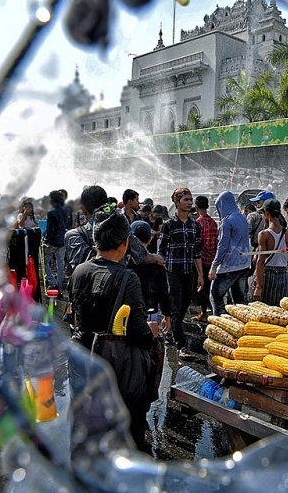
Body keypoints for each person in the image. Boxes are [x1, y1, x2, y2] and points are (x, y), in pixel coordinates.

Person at [69, 205, 157, 451]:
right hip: (117, 371)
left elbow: (76, 317)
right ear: (124, 243)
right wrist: (153, 330)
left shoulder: (79, 271)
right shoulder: (128, 278)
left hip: (85, 364)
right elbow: (138, 332)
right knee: (126, 437)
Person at [158, 187, 203, 361]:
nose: (189, 202)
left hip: (188, 271)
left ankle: (171, 329)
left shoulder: (194, 225)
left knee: (184, 304)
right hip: (173, 271)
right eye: (185, 199)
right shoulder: (169, 225)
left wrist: (200, 274)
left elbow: (197, 252)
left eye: (190, 199)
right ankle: (181, 345)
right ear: (176, 202)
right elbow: (162, 249)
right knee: (176, 307)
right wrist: (160, 269)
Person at [209, 191, 251, 316]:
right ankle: (242, 325)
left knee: (216, 295)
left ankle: (219, 323)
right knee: (239, 301)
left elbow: (222, 246)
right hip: (244, 264)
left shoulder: (226, 222)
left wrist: (214, 266)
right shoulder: (242, 218)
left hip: (229, 266)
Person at [254, 199, 288, 306]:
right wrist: (284, 259)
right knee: (280, 310)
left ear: (266, 213)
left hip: (268, 276)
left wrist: (258, 287)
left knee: (266, 311)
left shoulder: (264, 235)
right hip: (283, 276)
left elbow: (260, 261)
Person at [192, 195, 217, 322]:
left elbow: (196, 244)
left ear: (196, 207)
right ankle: (212, 312)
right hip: (211, 260)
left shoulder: (197, 223)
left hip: (200, 261)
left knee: (201, 288)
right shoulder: (213, 222)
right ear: (207, 206)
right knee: (209, 288)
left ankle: (204, 313)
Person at [43, 190, 69, 293]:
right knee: (60, 262)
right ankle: (59, 284)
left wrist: (46, 240)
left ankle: (52, 282)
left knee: (45, 261)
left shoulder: (51, 212)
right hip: (63, 240)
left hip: (53, 241)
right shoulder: (65, 210)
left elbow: (50, 230)